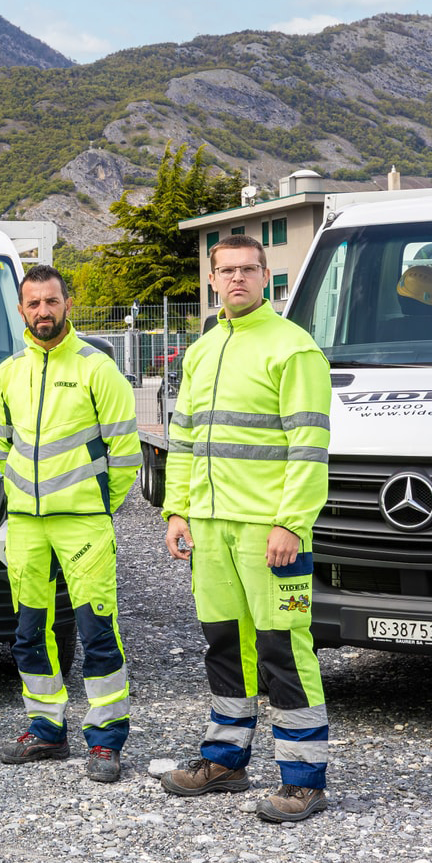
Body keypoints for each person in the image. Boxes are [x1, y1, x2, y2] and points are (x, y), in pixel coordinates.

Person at [161, 234, 333, 823]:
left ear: (266, 277)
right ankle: (227, 760)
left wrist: (290, 522)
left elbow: (309, 446)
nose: (235, 279)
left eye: (247, 269)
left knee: (283, 647)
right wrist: (177, 510)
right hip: (209, 528)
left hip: (269, 532)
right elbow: (182, 438)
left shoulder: (294, 349)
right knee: (224, 646)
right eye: (225, 270)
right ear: (211, 279)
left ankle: (304, 779)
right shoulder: (203, 350)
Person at [0, 265, 139, 783]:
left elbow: (125, 453)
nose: (43, 312)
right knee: (29, 633)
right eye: (33, 304)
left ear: (67, 304)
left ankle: (105, 740)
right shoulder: (9, 372)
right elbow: (1, 443)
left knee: (98, 631)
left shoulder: (98, 368)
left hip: (83, 523)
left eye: (51, 302)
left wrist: (98, 505)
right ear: (22, 309)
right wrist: (25, 497)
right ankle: (46, 730)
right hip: (27, 525)